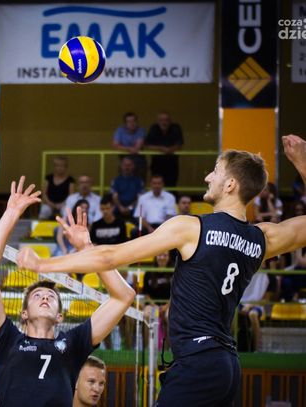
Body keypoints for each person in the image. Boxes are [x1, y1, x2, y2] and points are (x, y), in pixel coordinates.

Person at [18, 134, 306, 406]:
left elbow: (110, 257)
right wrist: (303, 163)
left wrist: (44, 265)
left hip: (197, 360)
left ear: (230, 185)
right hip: (227, 365)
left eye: (215, 171)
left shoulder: (192, 228)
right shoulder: (262, 238)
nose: (207, 177)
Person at [0, 176, 135, 407]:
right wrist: (11, 213)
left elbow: (124, 296)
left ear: (60, 316)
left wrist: (87, 248)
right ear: (23, 314)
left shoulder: (74, 343)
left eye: (51, 296)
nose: (45, 296)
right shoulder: (7, 340)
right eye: (37, 296)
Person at [144, 112, 184, 187]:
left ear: (170, 121)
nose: (164, 122)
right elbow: (147, 145)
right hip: (157, 163)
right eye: (161, 120)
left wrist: (170, 149)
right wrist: (161, 149)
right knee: (156, 185)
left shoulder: (175, 128)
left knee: (171, 185)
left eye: (166, 120)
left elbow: (180, 144)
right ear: (157, 121)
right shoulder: (154, 128)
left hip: (172, 163)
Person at [112, 112, 146, 178]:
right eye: (129, 121)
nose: (132, 123)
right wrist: (129, 149)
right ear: (125, 124)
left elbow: (137, 147)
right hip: (124, 160)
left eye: (134, 121)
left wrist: (123, 148)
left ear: (137, 122)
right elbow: (115, 145)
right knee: (123, 180)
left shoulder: (141, 130)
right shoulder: (120, 130)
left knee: (140, 181)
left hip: (139, 161)